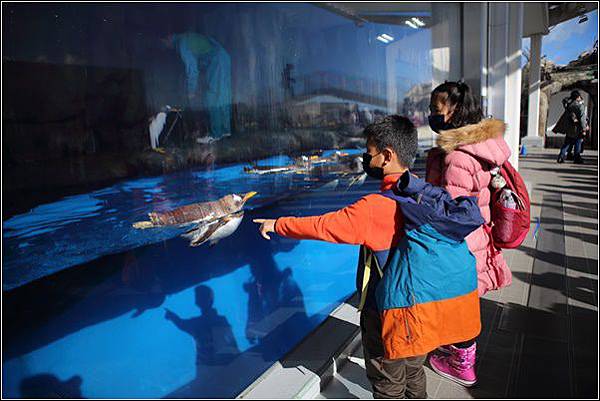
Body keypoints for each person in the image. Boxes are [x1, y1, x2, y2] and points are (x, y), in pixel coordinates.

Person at [254, 115, 481, 398]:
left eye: (369, 152)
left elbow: (324, 226)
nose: (365, 158)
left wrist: (277, 224)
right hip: (425, 311)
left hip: (390, 314)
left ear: (387, 156)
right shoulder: (427, 195)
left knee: (388, 382)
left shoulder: (376, 207)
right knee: (414, 371)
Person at [425, 81, 512, 387]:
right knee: (464, 297)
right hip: (477, 235)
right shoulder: (480, 147)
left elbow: (450, 211)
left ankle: (462, 363)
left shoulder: (458, 157)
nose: (431, 115)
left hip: (460, 242)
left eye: (436, 110)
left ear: (455, 111)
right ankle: (458, 350)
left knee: (460, 299)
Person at [556, 90, 589, 164]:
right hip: (578, 128)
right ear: (578, 97)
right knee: (578, 143)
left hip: (569, 128)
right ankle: (577, 158)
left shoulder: (569, 105)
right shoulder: (580, 106)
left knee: (567, 143)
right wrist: (584, 128)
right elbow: (582, 119)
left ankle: (561, 157)